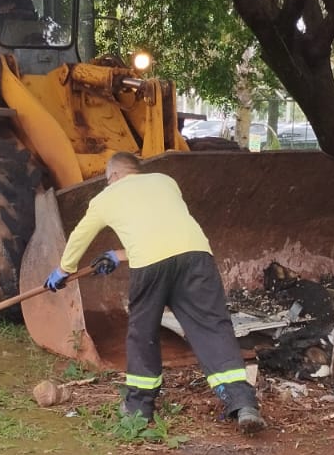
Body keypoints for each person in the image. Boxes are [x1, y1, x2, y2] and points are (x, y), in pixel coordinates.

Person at [46, 152, 266, 435]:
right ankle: (243, 402)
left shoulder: (106, 197)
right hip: (197, 256)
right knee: (212, 327)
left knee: (143, 332)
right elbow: (165, 228)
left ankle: (139, 407)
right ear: (137, 170)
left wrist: (63, 270)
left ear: (111, 176)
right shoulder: (165, 181)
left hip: (150, 266)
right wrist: (117, 254)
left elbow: (79, 236)